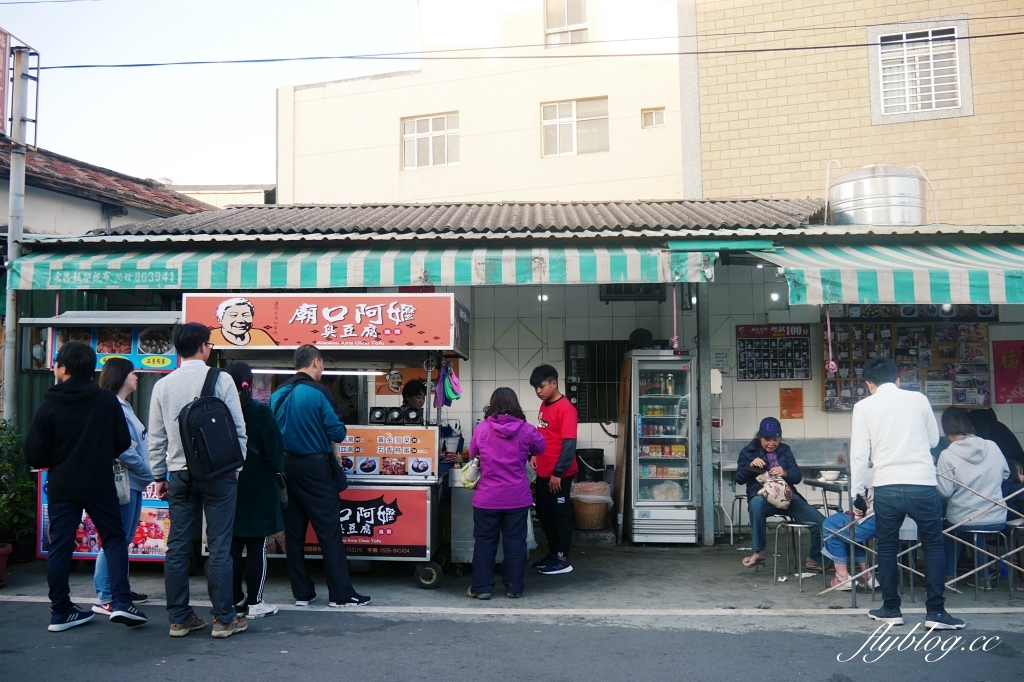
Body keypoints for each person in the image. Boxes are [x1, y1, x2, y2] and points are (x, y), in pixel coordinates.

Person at [24, 341, 148, 631]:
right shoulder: (105, 401)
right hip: (100, 483)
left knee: (61, 546)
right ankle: (120, 602)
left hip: (63, 484)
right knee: (114, 538)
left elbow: (35, 454)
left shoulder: (49, 405)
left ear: (64, 369)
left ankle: (61, 610)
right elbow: (121, 444)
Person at [148, 322, 248, 638]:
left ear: (177, 349)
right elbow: (238, 429)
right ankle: (223, 619)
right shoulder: (222, 380)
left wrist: (158, 474)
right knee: (219, 544)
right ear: (205, 346)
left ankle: (179, 618)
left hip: (178, 475)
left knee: (177, 546)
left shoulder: (163, 386)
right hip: (219, 475)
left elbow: (157, 437)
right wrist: (237, 467)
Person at [850, 356, 964, 630]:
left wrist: (858, 493)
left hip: (887, 486)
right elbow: (934, 440)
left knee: (887, 547)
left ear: (869, 384)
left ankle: (891, 609)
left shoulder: (863, 407)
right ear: (897, 379)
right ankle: (936, 613)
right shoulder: (919, 400)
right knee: (933, 545)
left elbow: (859, 455)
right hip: (922, 485)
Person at [270, 344, 370, 607]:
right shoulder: (319, 392)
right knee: (329, 532)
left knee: (294, 534)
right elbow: (338, 433)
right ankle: (341, 594)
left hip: (285, 468)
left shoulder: (277, 393)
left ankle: (302, 593)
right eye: (323, 364)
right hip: (315, 469)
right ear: (316, 362)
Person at [466, 387, 547, 600]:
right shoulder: (526, 429)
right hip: (516, 497)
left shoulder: (482, 429)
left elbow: (472, 453)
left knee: (484, 542)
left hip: (487, 498)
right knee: (515, 543)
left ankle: (481, 588)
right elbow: (541, 447)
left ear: (492, 405)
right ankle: (514, 587)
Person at [92, 358, 154, 615]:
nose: (136, 376)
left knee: (123, 539)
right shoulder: (113, 407)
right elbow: (124, 448)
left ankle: (119, 589)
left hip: (134, 481)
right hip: (124, 480)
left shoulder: (124, 406)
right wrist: (145, 468)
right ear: (120, 376)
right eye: (132, 372)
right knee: (115, 539)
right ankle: (106, 596)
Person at [225, 361, 286, 619]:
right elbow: (274, 452)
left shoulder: (219, 410)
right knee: (257, 545)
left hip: (226, 485)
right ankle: (255, 602)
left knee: (231, 547)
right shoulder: (259, 412)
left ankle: (234, 600)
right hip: (258, 483)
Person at [735, 417, 825, 570]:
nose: (772, 443)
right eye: (767, 439)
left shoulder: (785, 450)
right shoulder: (748, 452)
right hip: (765, 499)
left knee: (822, 524)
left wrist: (785, 472)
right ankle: (759, 551)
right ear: (759, 437)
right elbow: (739, 479)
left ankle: (815, 559)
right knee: (755, 503)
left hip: (789, 499)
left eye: (775, 439)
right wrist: (749, 466)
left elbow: (797, 477)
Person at [935, 407, 1009, 588]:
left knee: (954, 530)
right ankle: (984, 578)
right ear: (970, 426)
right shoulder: (991, 446)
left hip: (963, 518)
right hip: (996, 517)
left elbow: (944, 492)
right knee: (975, 530)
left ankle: (949, 577)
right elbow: (1005, 474)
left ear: (946, 431)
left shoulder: (947, 454)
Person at [528, 364, 578, 575]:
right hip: (543, 472)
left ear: (554, 383)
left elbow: (568, 445)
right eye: (536, 388)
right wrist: (533, 454)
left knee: (560, 515)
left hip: (560, 475)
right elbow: (542, 436)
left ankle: (562, 558)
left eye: (541, 386)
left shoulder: (566, 408)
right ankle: (552, 552)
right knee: (544, 513)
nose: (538, 391)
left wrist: (557, 473)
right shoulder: (545, 405)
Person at [821, 511, 879, 591]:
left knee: (831, 524)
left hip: (875, 520)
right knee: (849, 534)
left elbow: (861, 506)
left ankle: (843, 577)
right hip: (892, 523)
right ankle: (868, 576)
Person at [210, 297, 278, 347]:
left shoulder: (261, 335)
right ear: (220, 319)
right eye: (233, 315)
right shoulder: (210, 338)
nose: (240, 320)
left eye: (245, 315)